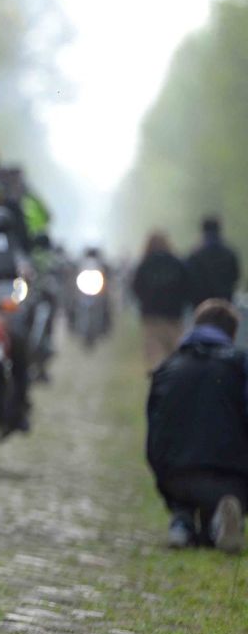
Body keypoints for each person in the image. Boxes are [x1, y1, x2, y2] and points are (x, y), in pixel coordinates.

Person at [147, 299, 247, 552]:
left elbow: (154, 431)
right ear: (232, 333)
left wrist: (164, 477)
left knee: (185, 501)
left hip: (176, 476)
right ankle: (219, 523)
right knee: (224, 498)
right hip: (229, 478)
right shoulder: (240, 365)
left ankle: (182, 522)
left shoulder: (169, 366)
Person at [132, 232, 191, 371]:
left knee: (155, 359)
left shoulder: (145, 264)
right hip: (174, 317)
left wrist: (145, 302)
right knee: (175, 356)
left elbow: (136, 287)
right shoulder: (177, 263)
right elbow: (188, 286)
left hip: (151, 317)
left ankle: (158, 381)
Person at [186, 213, 240, 304]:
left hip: (201, 304)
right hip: (224, 302)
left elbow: (189, 278)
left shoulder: (195, 255)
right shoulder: (229, 253)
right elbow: (235, 276)